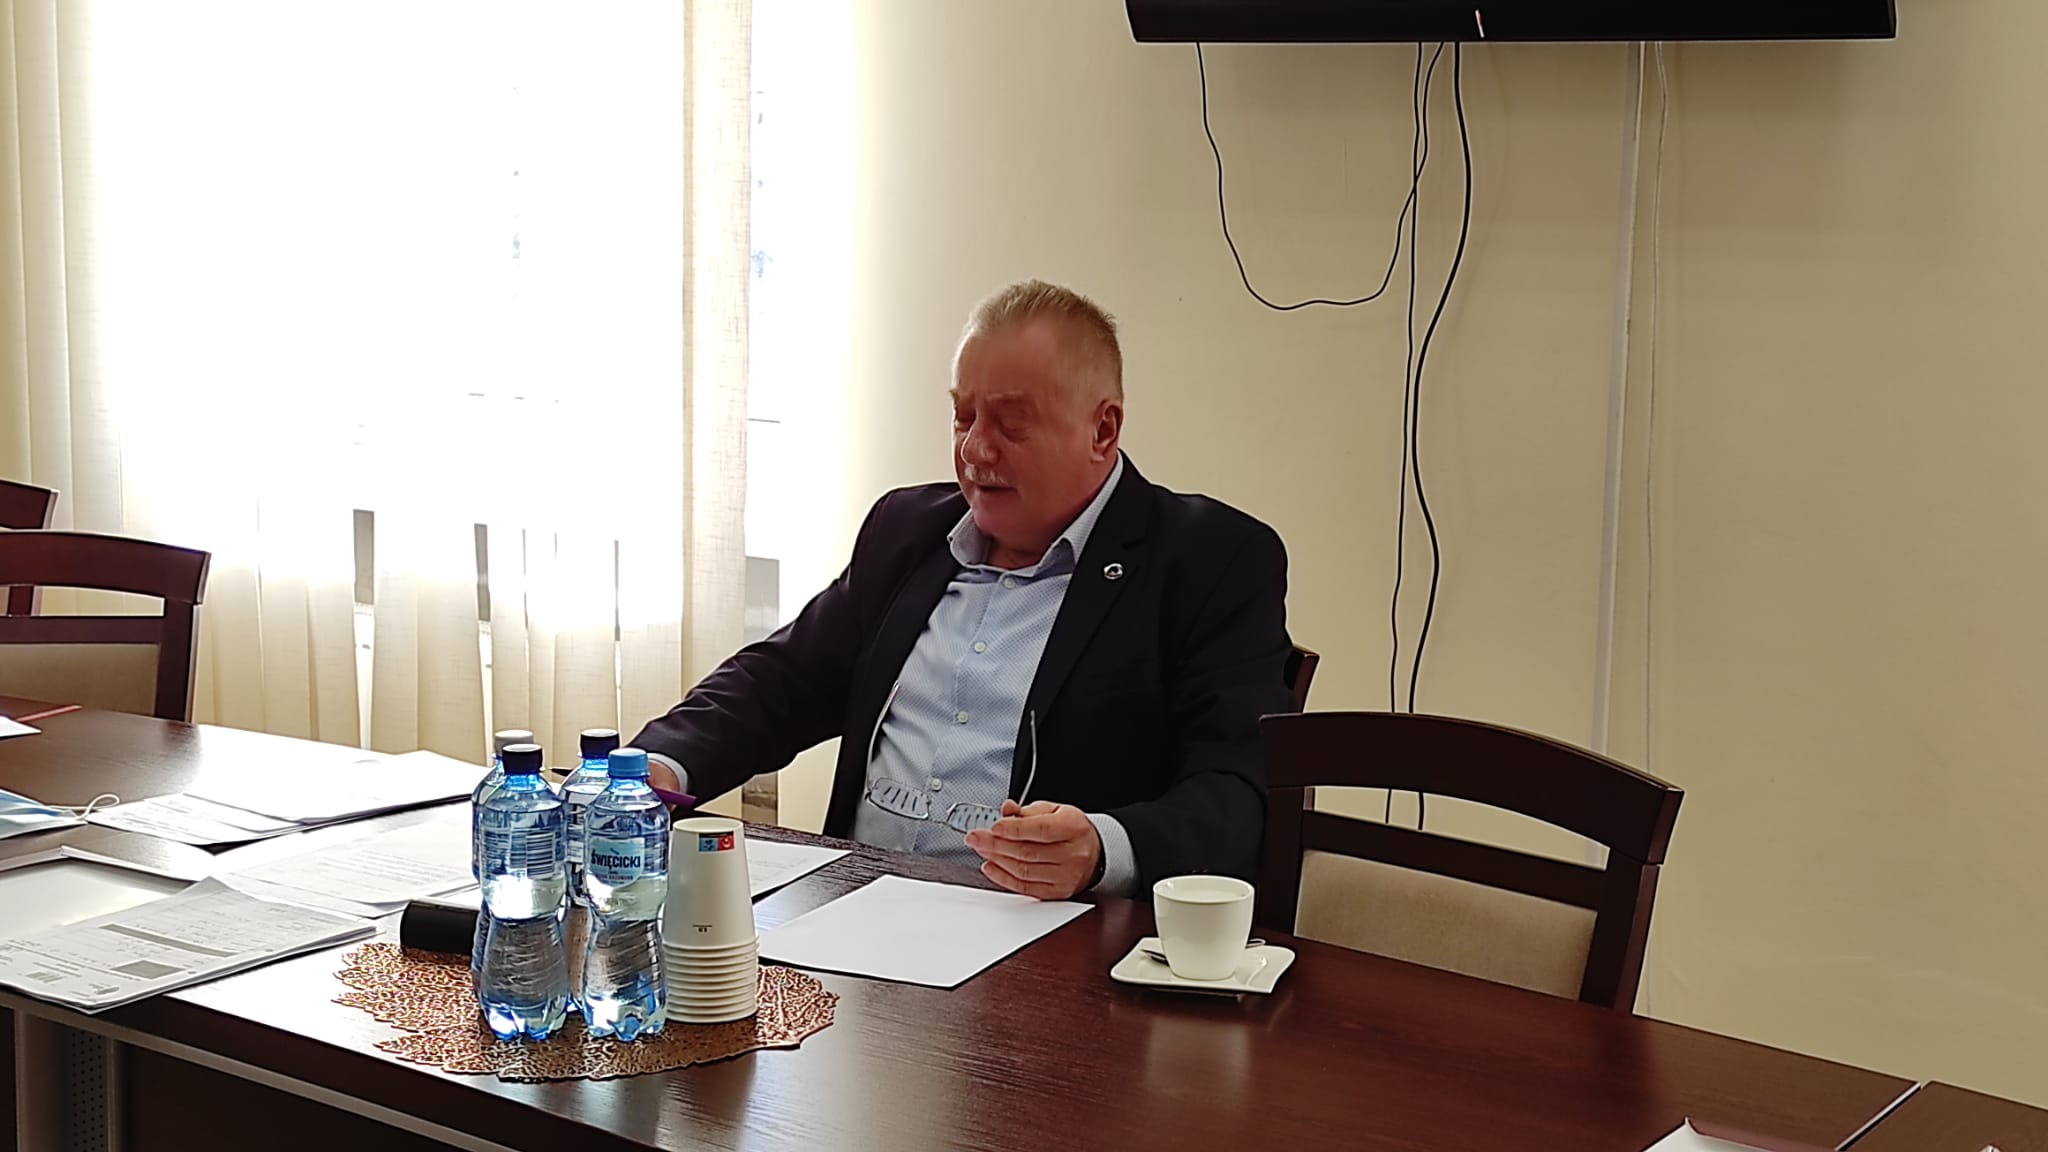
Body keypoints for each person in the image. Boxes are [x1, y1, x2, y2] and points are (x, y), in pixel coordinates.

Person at [631, 280, 1295, 900]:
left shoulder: (1209, 562)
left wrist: (1100, 848)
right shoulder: (905, 532)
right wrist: (657, 766)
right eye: (963, 417)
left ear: (1102, 429)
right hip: (853, 916)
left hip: (1044, 942)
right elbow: (783, 681)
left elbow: (1235, 793)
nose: (975, 450)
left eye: (1010, 424)